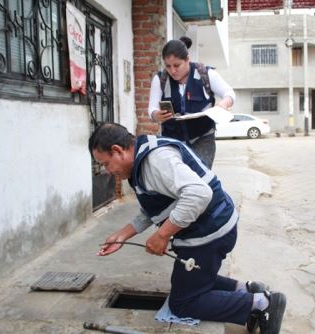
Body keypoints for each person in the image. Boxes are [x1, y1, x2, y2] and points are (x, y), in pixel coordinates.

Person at [89, 123, 287, 334]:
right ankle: (247, 289)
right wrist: (122, 235)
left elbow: (199, 194)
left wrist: (162, 235)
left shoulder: (156, 161)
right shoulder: (143, 158)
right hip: (209, 227)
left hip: (210, 232)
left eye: (106, 164)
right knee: (187, 282)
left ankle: (262, 303)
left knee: (183, 303)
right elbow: (157, 205)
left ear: (118, 151)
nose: (108, 172)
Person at [148, 36, 235, 168]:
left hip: (203, 139)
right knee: (177, 180)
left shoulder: (205, 74)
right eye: (168, 66)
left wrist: (223, 104)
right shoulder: (160, 79)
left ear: (187, 59)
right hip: (173, 141)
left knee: (201, 178)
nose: (172, 71)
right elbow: (152, 108)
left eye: (177, 65)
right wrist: (155, 115)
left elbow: (229, 93)